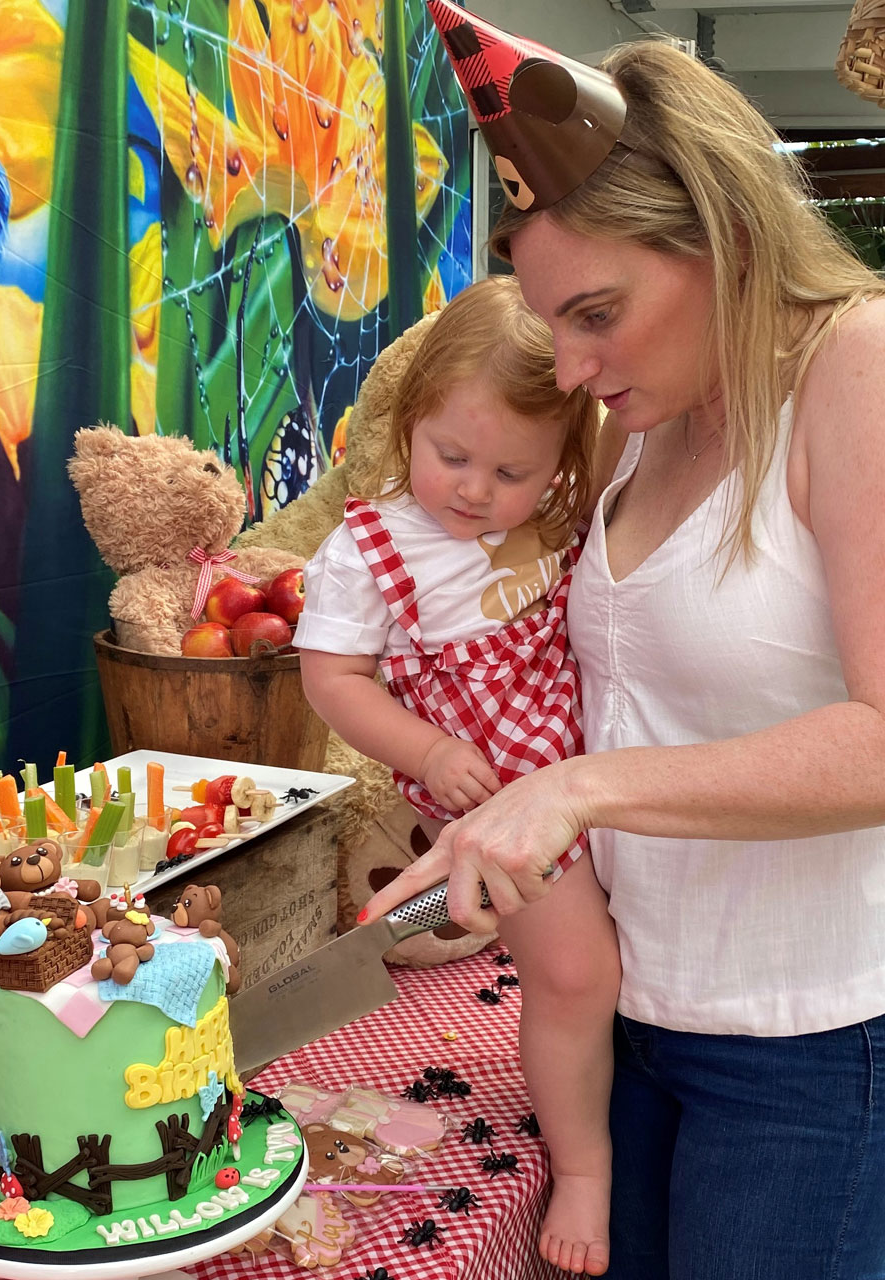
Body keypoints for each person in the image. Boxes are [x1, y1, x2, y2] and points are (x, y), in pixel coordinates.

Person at [368, 12, 885, 1280]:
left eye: (599, 312)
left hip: (807, 1035)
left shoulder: (879, 366)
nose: (578, 366)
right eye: (558, 328)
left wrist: (576, 790)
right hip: (632, 1007)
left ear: (722, 229)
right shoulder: (642, 415)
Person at [295, 274, 622, 1275]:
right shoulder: (372, 548)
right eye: (452, 454)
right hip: (503, 797)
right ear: (410, 421)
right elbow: (331, 680)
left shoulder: (560, 515)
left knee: (611, 967)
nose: (476, 488)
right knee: (575, 974)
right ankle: (583, 1166)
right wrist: (426, 751)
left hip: (593, 771)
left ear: (563, 461)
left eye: (513, 470)